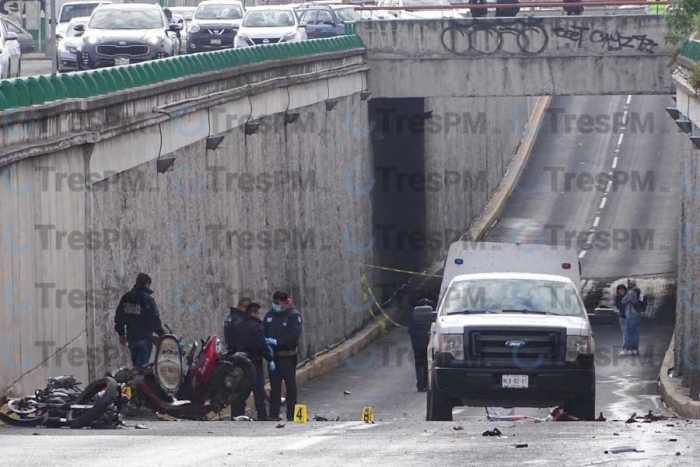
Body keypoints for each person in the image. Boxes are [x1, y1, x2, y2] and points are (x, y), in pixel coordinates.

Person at [232, 303, 276, 420]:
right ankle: (262, 416)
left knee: (242, 390)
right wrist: (270, 359)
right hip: (254, 362)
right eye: (258, 313)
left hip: (241, 362)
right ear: (254, 313)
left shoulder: (238, 325)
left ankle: (237, 415)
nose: (259, 315)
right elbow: (262, 345)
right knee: (258, 391)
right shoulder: (257, 326)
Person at [264, 291, 302, 421]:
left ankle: (291, 414)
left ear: (285, 302)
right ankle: (273, 414)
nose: (275, 306)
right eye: (273, 303)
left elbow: (293, 336)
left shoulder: (293, 316)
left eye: (277, 303)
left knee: (290, 386)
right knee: (275, 387)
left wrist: (277, 342)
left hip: (287, 357)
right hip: (273, 357)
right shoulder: (270, 316)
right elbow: (263, 331)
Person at [114, 273, 165, 367]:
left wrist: (121, 335)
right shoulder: (148, 299)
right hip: (145, 339)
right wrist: (162, 335)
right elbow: (154, 319)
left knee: (136, 367)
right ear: (147, 284)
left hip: (131, 340)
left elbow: (119, 318)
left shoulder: (126, 298)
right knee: (142, 369)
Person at [408, 298, 434, 392]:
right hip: (425, 345)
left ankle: (421, 383)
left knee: (420, 365)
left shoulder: (414, 317)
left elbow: (410, 331)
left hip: (418, 345)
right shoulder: (431, 317)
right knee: (426, 364)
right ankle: (424, 383)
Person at [620, 280, 642, 356]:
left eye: (629, 285)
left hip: (631, 314)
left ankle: (627, 349)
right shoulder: (639, 292)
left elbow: (623, 301)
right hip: (638, 314)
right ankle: (634, 349)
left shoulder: (631, 292)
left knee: (628, 332)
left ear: (631, 285)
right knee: (636, 333)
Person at [615, 284, 628, 349]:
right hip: (623, 317)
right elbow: (618, 306)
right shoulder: (618, 297)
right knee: (625, 333)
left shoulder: (628, 296)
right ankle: (625, 346)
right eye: (620, 290)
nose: (621, 291)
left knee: (630, 332)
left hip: (629, 317)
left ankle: (631, 346)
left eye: (622, 290)